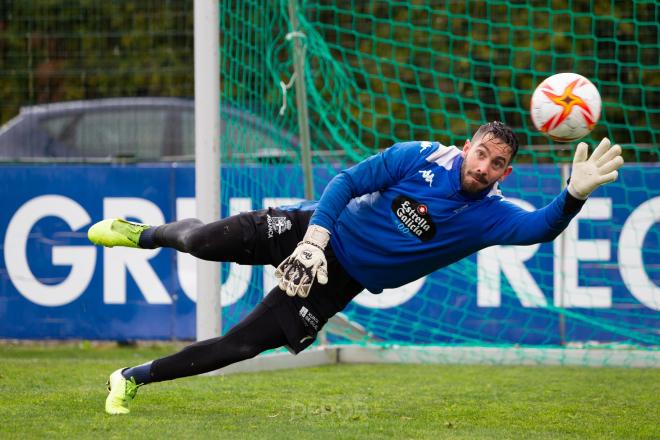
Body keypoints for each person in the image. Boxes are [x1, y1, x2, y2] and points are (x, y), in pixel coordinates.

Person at [88, 121, 623, 414]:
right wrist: (315, 238)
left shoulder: (491, 216)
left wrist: (573, 195)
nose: (484, 167)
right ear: (467, 147)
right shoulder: (421, 156)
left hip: (335, 287)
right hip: (314, 230)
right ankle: (143, 234)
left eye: (497, 163)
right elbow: (347, 181)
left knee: (240, 345)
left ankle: (132, 378)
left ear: (507, 171)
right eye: (480, 153)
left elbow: (540, 228)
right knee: (205, 239)